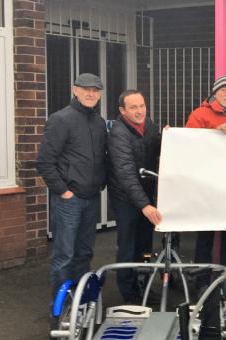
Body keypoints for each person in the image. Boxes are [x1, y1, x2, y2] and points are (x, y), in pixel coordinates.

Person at [36, 73, 107, 301]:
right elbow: (45, 162)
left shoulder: (99, 122)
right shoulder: (61, 119)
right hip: (69, 199)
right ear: (75, 90)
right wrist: (63, 191)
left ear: (100, 94)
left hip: (91, 197)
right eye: (86, 89)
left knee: (84, 253)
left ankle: (80, 302)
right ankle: (61, 309)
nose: (90, 93)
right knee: (64, 255)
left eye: (95, 90)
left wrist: (101, 182)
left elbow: (101, 157)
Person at [186, 75, 226, 289]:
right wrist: (214, 134)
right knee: (206, 236)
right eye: (223, 90)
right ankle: (201, 280)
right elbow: (189, 144)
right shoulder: (199, 115)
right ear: (215, 93)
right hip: (208, 186)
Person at [107, 90, 162, 304]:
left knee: (145, 246)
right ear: (123, 110)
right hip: (126, 199)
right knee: (128, 246)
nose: (139, 111)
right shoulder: (118, 134)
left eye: (142, 105)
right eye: (133, 107)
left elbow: (158, 147)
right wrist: (145, 206)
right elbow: (126, 174)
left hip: (145, 195)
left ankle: (145, 287)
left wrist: (169, 137)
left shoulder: (148, 125)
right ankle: (129, 294)